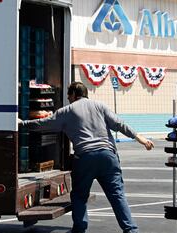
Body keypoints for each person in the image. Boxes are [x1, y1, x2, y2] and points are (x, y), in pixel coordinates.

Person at [18, 82, 154, 233]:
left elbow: (43, 123)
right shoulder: (100, 106)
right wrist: (138, 137)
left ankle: (80, 229)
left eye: (69, 95)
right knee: (117, 195)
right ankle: (131, 230)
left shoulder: (66, 111)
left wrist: (23, 124)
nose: (68, 99)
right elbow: (119, 124)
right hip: (108, 156)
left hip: (85, 157)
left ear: (74, 95)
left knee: (79, 196)